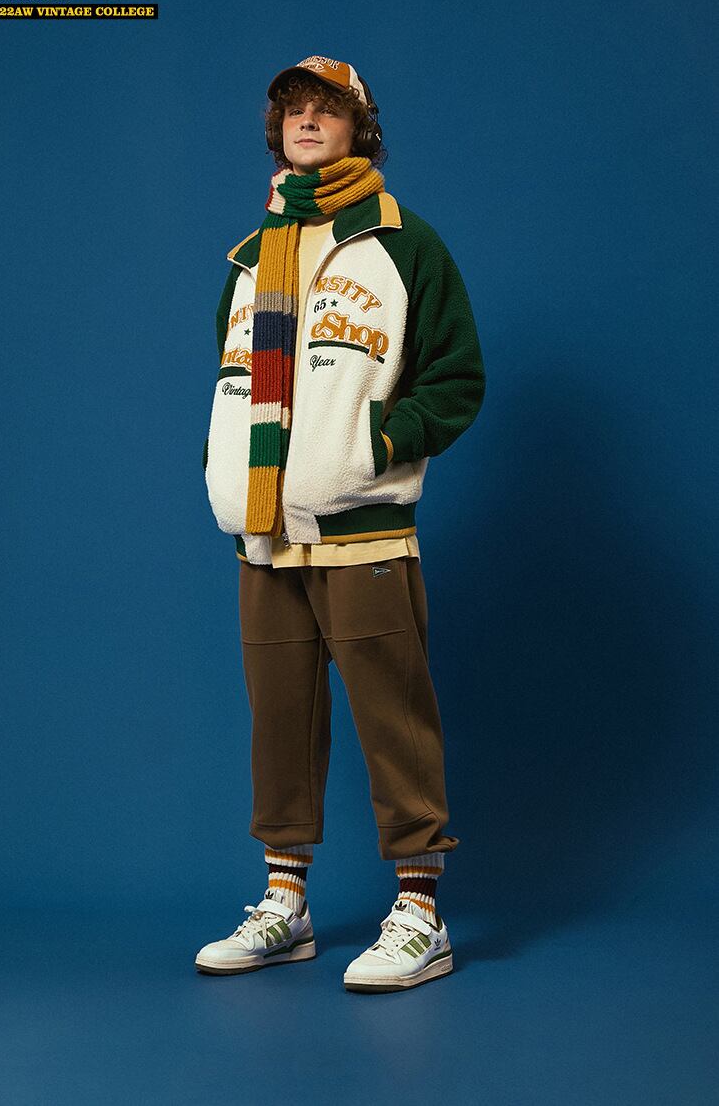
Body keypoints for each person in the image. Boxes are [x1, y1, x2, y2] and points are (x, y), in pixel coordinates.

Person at [196, 55, 486, 992]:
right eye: (293, 108)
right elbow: (231, 377)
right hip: (265, 532)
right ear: (276, 130)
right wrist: (225, 469)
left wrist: (374, 445)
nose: (308, 121)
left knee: (394, 718)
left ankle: (421, 910)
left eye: (328, 108)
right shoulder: (252, 255)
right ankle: (286, 904)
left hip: (363, 526)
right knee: (279, 721)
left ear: (361, 128)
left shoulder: (403, 243)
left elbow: (457, 376)